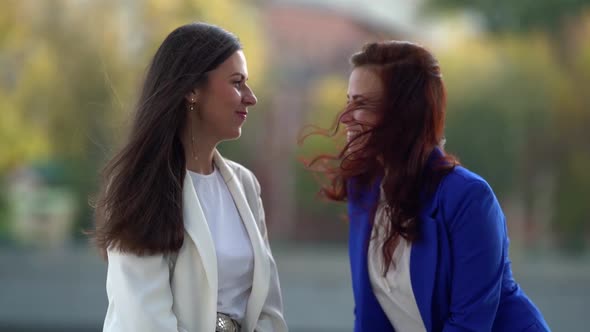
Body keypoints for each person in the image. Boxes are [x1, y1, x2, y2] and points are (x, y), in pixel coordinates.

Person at [304, 41, 550, 331]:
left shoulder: (468, 198)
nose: (345, 118)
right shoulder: (364, 189)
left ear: (404, 114)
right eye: (349, 101)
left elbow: (468, 325)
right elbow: (370, 317)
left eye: (362, 104)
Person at [92, 22, 287, 332]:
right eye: (237, 83)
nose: (251, 97)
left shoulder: (246, 186)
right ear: (191, 90)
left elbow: (269, 312)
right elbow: (145, 320)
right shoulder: (139, 184)